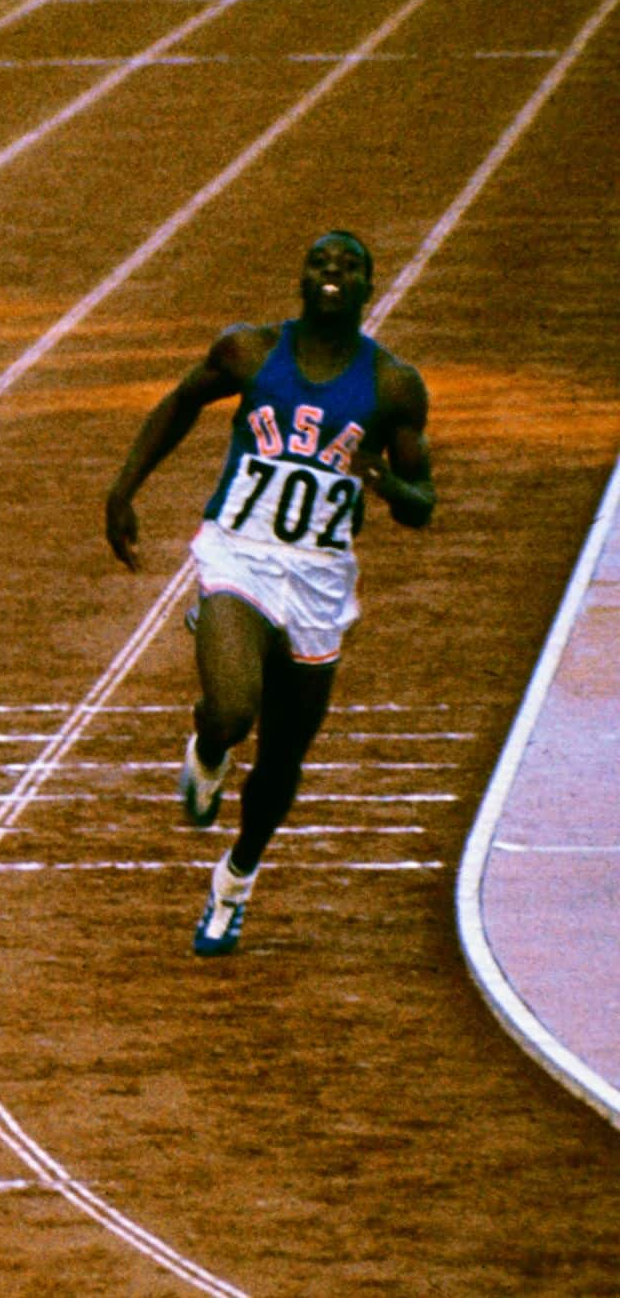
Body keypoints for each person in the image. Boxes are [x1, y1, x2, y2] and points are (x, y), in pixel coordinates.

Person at [105, 230, 435, 956]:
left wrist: (385, 483)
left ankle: (234, 884)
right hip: (239, 556)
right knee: (231, 706)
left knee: (283, 759)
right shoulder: (250, 351)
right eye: (320, 261)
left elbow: (424, 502)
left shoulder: (393, 386)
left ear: (367, 288)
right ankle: (209, 746)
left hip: (319, 582)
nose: (332, 274)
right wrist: (124, 488)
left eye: (348, 267)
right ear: (301, 275)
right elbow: (179, 402)